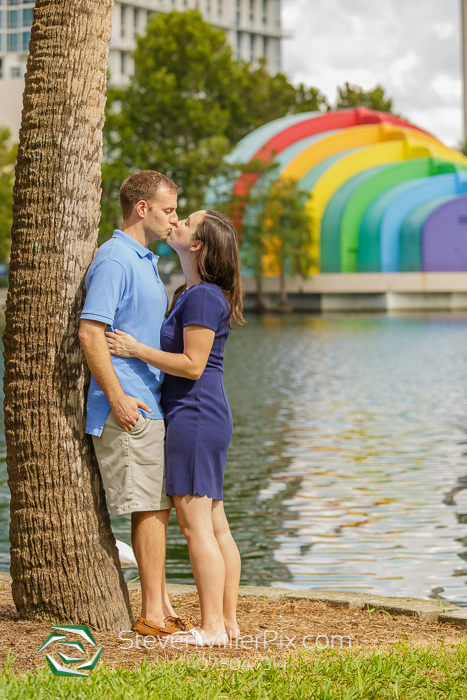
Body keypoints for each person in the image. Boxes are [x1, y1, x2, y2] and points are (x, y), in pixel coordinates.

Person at [106, 209, 243, 647]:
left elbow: (192, 364)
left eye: (187, 221)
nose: (178, 221)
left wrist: (135, 348)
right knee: (216, 524)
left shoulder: (202, 297)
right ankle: (227, 622)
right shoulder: (192, 292)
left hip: (195, 414)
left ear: (197, 244)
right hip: (204, 414)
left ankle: (212, 629)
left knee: (196, 526)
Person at [79, 170, 193, 637]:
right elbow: (91, 331)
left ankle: (160, 606)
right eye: (168, 210)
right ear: (141, 208)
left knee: (158, 508)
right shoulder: (115, 260)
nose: (174, 219)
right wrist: (118, 397)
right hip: (128, 409)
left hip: (150, 405)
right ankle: (151, 614)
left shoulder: (144, 259)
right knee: (149, 508)